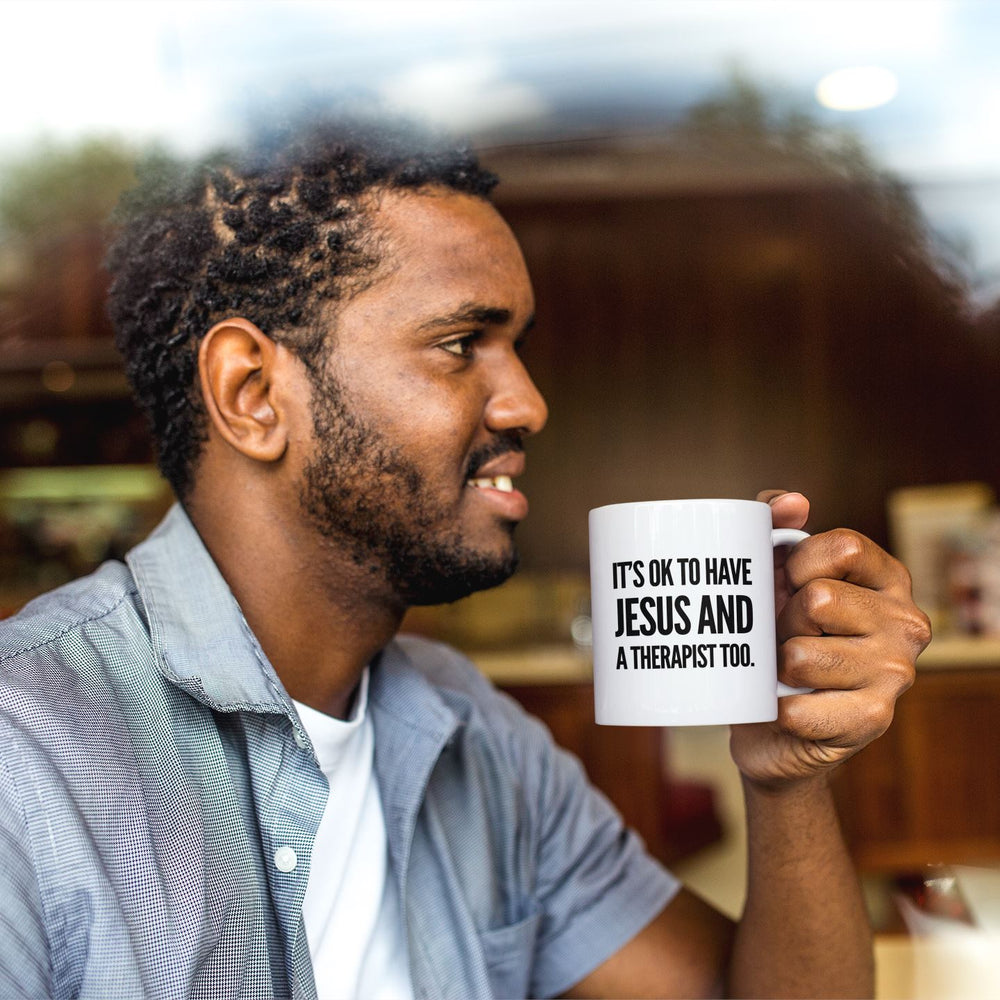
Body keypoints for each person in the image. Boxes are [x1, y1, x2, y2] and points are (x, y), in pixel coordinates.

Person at [0, 119, 929, 999]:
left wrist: (787, 779)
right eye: (459, 344)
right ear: (252, 393)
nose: (528, 404)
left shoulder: (479, 742)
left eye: (515, 348)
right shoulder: (26, 755)